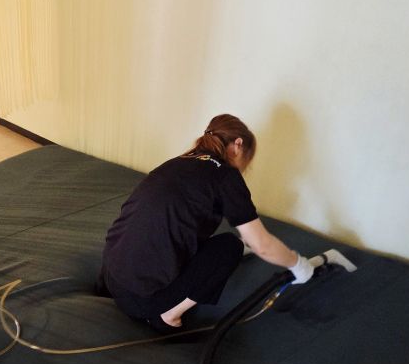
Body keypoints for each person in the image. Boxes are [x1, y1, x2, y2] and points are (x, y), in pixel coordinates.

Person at [97, 114, 315, 333]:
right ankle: (169, 316)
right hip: (142, 301)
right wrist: (298, 264)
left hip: (110, 278)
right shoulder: (225, 176)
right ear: (238, 144)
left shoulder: (178, 162)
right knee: (231, 246)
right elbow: (263, 246)